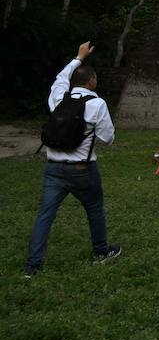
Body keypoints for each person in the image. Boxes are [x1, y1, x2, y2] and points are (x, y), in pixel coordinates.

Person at [25, 42, 120, 277]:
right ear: (92, 82)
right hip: (83, 169)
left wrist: (79, 57)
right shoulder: (97, 104)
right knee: (95, 209)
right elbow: (108, 138)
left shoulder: (59, 99)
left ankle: (33, 266)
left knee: (45, 215)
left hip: (53, 168)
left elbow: (60, 78)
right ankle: (101, 251)